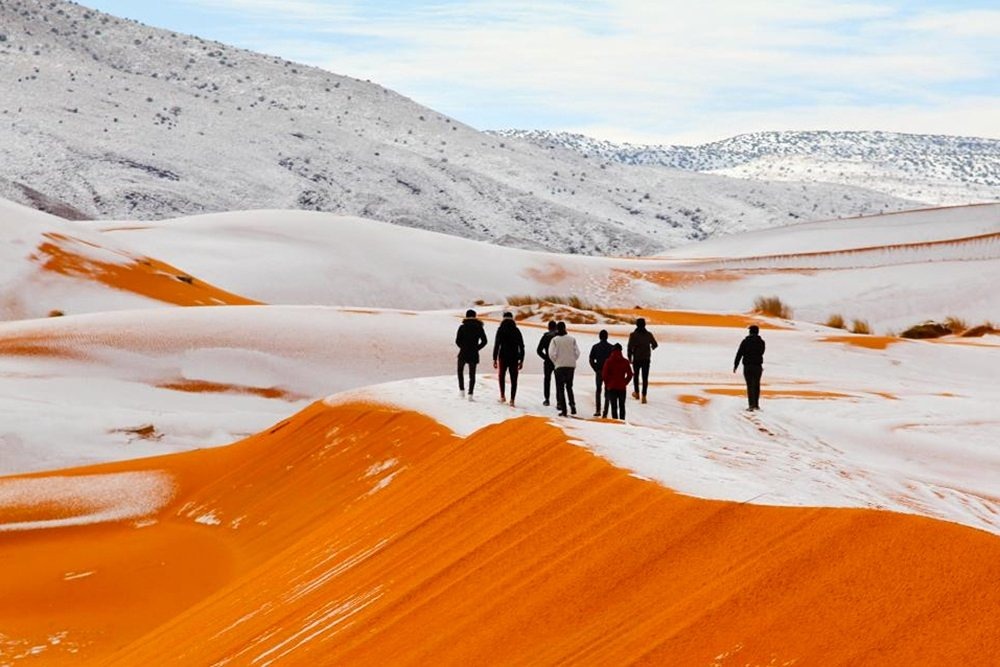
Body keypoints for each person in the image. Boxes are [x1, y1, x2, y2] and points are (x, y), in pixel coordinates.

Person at [548, 321, 579, 417]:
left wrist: (556, 362)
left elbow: (551, 354)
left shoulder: (555, 340)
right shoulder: (572, 339)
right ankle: (572, 405)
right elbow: (577, 352)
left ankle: (564, 410)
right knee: (569, 387)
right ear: (565, 328)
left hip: (559, 367)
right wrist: (572, 360)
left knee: (560, 388)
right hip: (571, 366)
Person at [493, 312, 525, 406]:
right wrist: (522, 359)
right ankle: (512, 400)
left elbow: (497, 345)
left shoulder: (500, 330)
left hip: (503, 356)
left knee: (501, 376)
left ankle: (502, 396)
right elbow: (521, 346)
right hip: (514, 357)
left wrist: (494, 358)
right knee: (514, 379)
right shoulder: (516, 330)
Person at [455, 308, 487, 399]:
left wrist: (463, 347)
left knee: (460, 371)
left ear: (466, 316)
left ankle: (461, 391)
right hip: (474, 354)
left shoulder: (462, 327)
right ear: (475, 316)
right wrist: (476, 348)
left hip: (463, 353)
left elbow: (457, 341)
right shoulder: (479, 327)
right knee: (472, 374)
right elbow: (484, 341)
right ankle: (470, 394)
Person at [733, 324, 766, 411]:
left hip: (748, 366)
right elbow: (762, 352)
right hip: (758, 366)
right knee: (757, 385)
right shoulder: (761, 342)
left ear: (750, 332)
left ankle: (751, 405)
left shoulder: (745, 341)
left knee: (750, 385)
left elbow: (739, 353)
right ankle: (756, 405)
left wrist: (735, 365)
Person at [627, 317, 658, 403]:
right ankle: (644, 396)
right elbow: (655, 344)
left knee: (636, 376)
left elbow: (629, 347)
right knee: (645, 378)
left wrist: (629, 358)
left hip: (636, 358)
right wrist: (651, 347)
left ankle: (637, 393)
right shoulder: (649, 334)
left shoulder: (633, 335)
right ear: (645, 325)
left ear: (636, 325)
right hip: (646, 359)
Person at [601, 343, 633, 421]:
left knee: (614, 407)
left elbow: (604, 375)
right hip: (622, 387)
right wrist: (624, 382)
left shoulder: (608, 361)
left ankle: (615, 422)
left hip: (612, 387)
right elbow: (630, 374)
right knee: (622, 406)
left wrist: (608, 384)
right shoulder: (625, 361)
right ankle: (622, 421)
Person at [588, 330, 614, 417]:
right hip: (608, 373)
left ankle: (598, 410)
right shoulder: (611, 347)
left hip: (599, 370)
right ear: (607, 337)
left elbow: (591, 359)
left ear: (599, 337)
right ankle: (605, 412)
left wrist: (595, 368)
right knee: (607, 391)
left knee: (598, 390)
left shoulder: (595, 347)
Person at [536, 320, 558, 406]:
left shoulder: (545, 336)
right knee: (558, 382)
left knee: (547, 380)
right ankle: (559, 401)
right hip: (557, 361)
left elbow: (539, 350)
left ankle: (547, 399)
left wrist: (545, 357)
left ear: (548, 327)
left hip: (548, 361)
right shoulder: (558, 336)